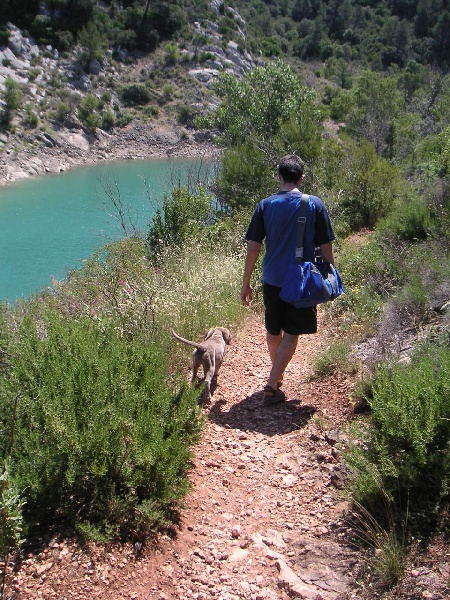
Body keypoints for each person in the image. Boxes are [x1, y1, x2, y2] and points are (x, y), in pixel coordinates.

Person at [240, 154, 336, 405]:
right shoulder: (314, 204)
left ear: (279, 176)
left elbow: (253, 247)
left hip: (271, 278)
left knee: (274, 329)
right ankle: (272, 383)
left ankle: (276, 374)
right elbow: (326, 247)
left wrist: (246, 282)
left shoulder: (265, 205)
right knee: (292, 331)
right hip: (302, 280)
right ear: (301, 178)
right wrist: (330, 275)